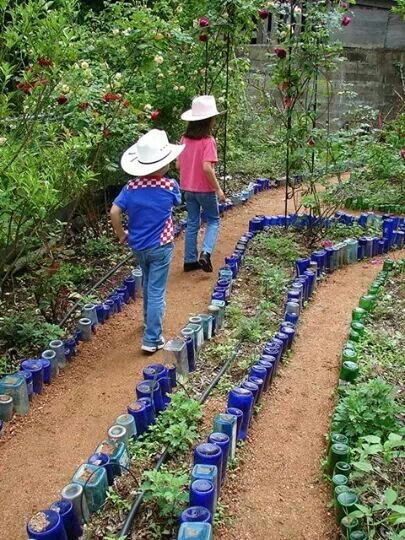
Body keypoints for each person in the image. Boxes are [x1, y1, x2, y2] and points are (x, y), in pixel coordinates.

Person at [110, 129, 184, 354]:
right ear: (163, 163)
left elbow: (114, 211)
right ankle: (152, 338)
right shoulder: (170, 186)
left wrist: (121, 233)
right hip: (161, 245)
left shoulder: (130, 188)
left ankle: (147, 322)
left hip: (138, 245)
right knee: (156, 289)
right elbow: (178, 202)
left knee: (149, 283)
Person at [177, 95, 225, 273]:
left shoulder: (184, 139)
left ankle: (190, 261)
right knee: (213, 220)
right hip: (205, 189)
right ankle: (205, 254)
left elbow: (178, 165)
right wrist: (218, 189)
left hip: (187, 188)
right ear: (209, 120)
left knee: (192, 223)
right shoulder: (208, 141)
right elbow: (207, 168)